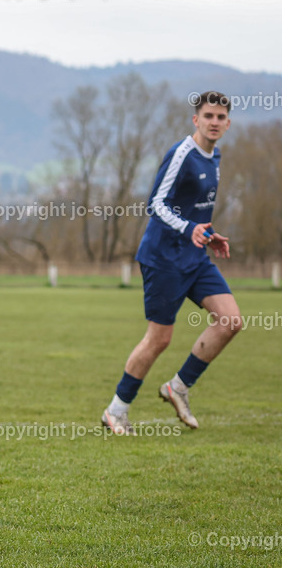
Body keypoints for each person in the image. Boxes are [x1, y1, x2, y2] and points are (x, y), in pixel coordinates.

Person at [102, 91, 238, 435]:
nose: (214, 122)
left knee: (230, 321)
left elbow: (193, 208)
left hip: (195, 255)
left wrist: (209, 233)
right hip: (163, 258)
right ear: (196, 119)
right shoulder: (182, 154)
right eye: (208, 116)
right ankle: (116, 411)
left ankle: (177, 387)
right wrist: (189, 227)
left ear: (228, 122)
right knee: (159, 339)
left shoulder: (215, 156)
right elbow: (157, 204)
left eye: (221, 117)